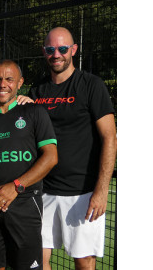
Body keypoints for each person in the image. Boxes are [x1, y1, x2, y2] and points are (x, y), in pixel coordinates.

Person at [28, 27, 117, 270]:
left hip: (82, 193)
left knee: (84, 263)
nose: (56, 54)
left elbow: (110, 138)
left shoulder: (91, 85)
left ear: (73, 50)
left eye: (62, 49)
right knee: (36, 260)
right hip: (43, 190)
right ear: (44, 52)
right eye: (50, 49)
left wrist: (101, 191)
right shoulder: (36, 91)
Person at [0, 60, 58, 270]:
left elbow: (51, 157)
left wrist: (15, 186)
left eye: (9, 79)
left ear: (20, 83)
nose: (2, 84)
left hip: (25, 203)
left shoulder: (34, 113)